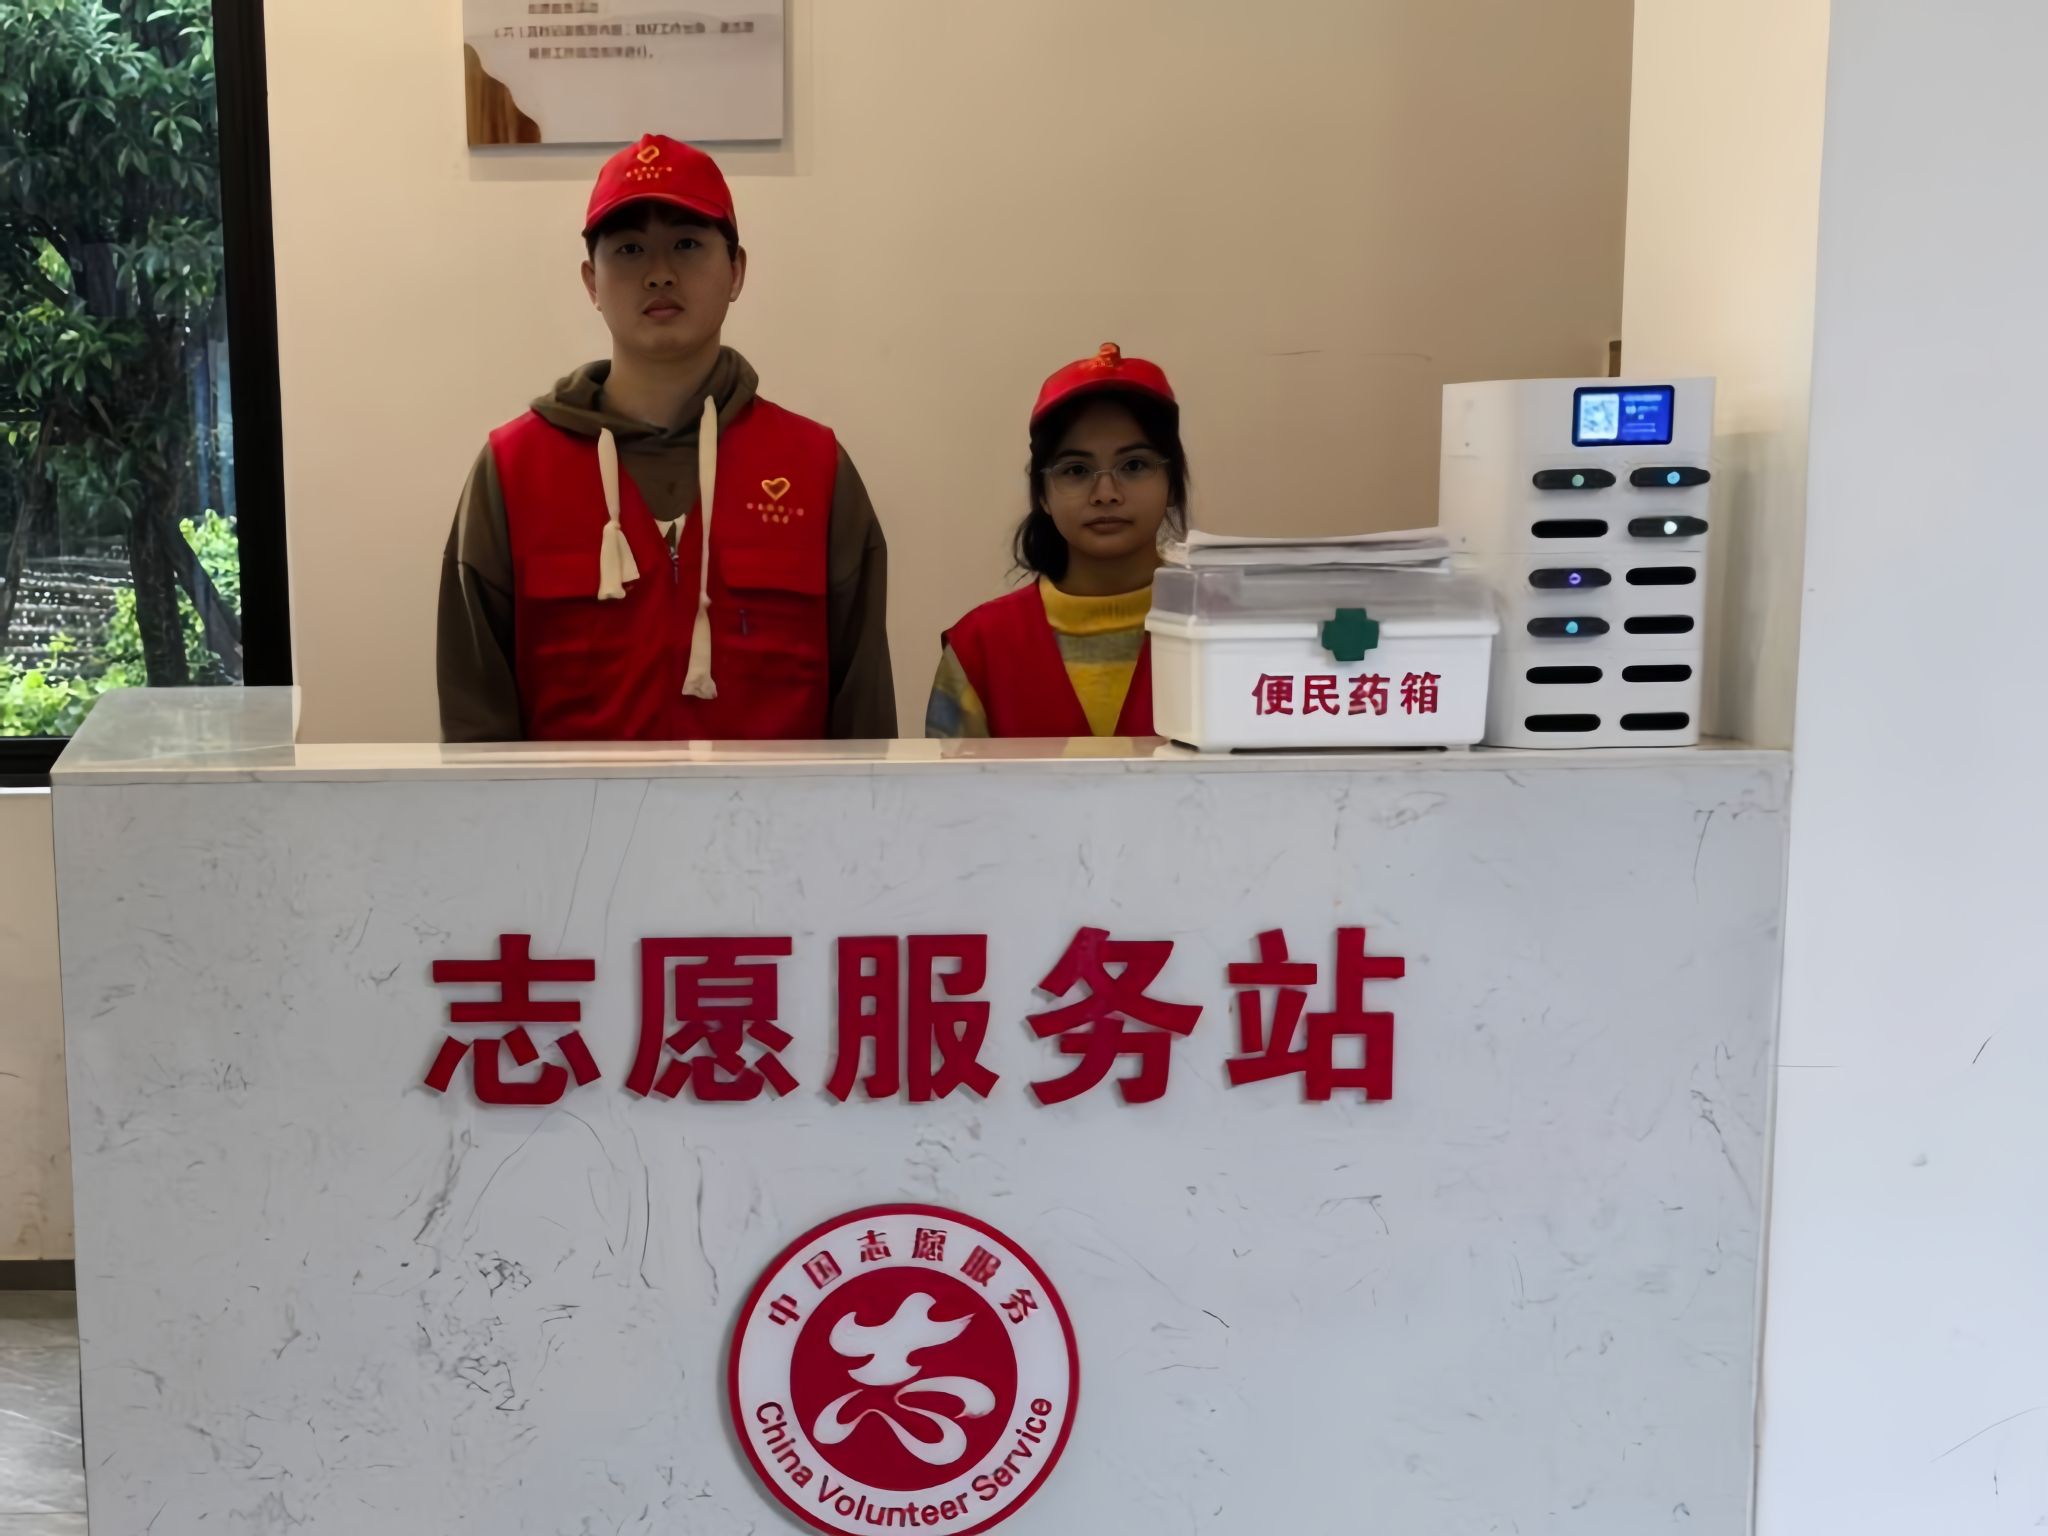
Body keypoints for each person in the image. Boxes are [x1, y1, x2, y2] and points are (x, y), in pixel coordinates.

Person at [439, 133, 895, 742]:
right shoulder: (513, 471)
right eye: (629, 249)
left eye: (687, 244)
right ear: (591, 281)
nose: (659, 274)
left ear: (736, 271)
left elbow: (864, 721)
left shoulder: (815, 468)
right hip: (573, 811)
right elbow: (475, 728)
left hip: (779, 810)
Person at [927, 344, 1187, 739]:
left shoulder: (1231, 631)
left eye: (1134, 465)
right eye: (1076, 470)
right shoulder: (979, 649)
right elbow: (946, 779)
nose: (1106, 493)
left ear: (1172, 484)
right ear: (1043, 495)